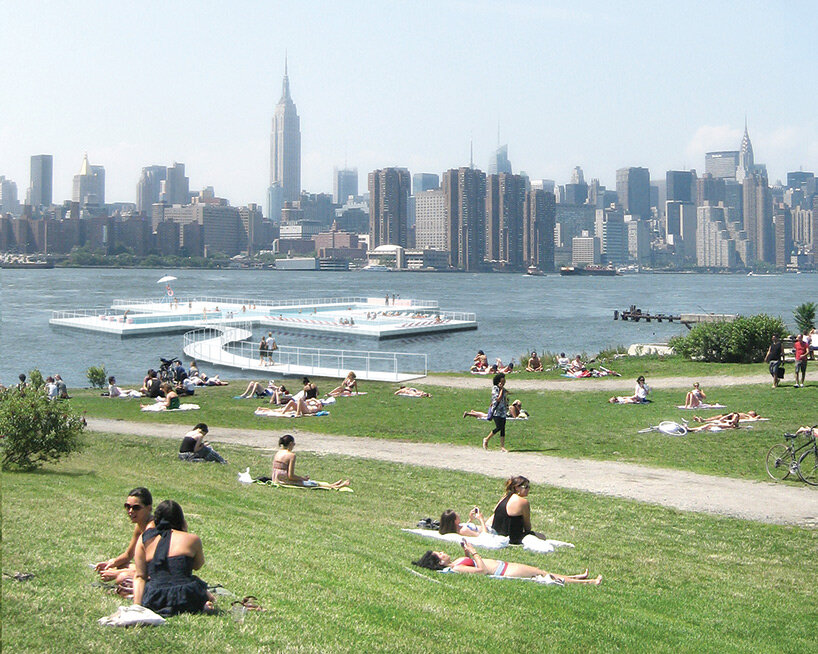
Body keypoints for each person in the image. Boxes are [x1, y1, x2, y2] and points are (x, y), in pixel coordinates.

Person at [133, 500, 214, 616]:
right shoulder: (192, 539)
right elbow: (197, 565)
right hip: (186, 596)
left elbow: (140, 576)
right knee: (197, 583)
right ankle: (202, 604)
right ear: (181, 519)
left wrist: (137, 606)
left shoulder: (144, 539)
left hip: (156, 598)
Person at [413, 541, 601, 584]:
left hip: (504, 566)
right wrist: (474, 552)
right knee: (542, 575)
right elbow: (481, 571)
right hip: (504, 571)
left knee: (541, 571)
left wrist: (467, 553)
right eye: (440, 554)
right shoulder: (456, 567)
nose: (443, 552)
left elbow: (474, 565)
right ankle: (589, 582)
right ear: (439, 562)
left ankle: (575, 577)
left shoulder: (456, 564)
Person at [95, 487, 154, 592]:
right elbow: (128, 555)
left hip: (156, 574)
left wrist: (117, 573)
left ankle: (131, 592)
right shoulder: (140, 526)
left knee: (122, 578)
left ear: (149, 508)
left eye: (136, 508)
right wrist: (111, 564)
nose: (130, 511)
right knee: (120, 565)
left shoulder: (152, 529)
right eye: (127, 506)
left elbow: (152, 569)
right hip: (147, 570)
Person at [486, 475, 549, 544]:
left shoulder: (504, 497)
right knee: (542, 537)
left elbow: (495, 515)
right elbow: (527, 527)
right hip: (513, 538)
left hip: (497, 534)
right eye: (526, 487)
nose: (528, 489)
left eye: (529, 487)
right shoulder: (523, 502)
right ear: (516, 488)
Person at [270, 434, 349, 488]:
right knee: (311, 483)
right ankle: (335, 486)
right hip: (284, 481)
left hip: (276, 479)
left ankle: (333, 485)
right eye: (294, 444)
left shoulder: (278, 452)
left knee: (309, 482)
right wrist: (302, 478)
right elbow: (290, 476)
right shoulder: (291, 455)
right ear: (290, 444)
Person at [482, 373, 508, 451]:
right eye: (502, 381)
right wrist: (501, 390)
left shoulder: (503, 389)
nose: (503, 382)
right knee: (499, 427)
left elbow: (504, 399)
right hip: (496, 411)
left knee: (503, 428)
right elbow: (498, 399)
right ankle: (486, 439)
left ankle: (502, 447)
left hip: (503, 411)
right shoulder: (495, 388)